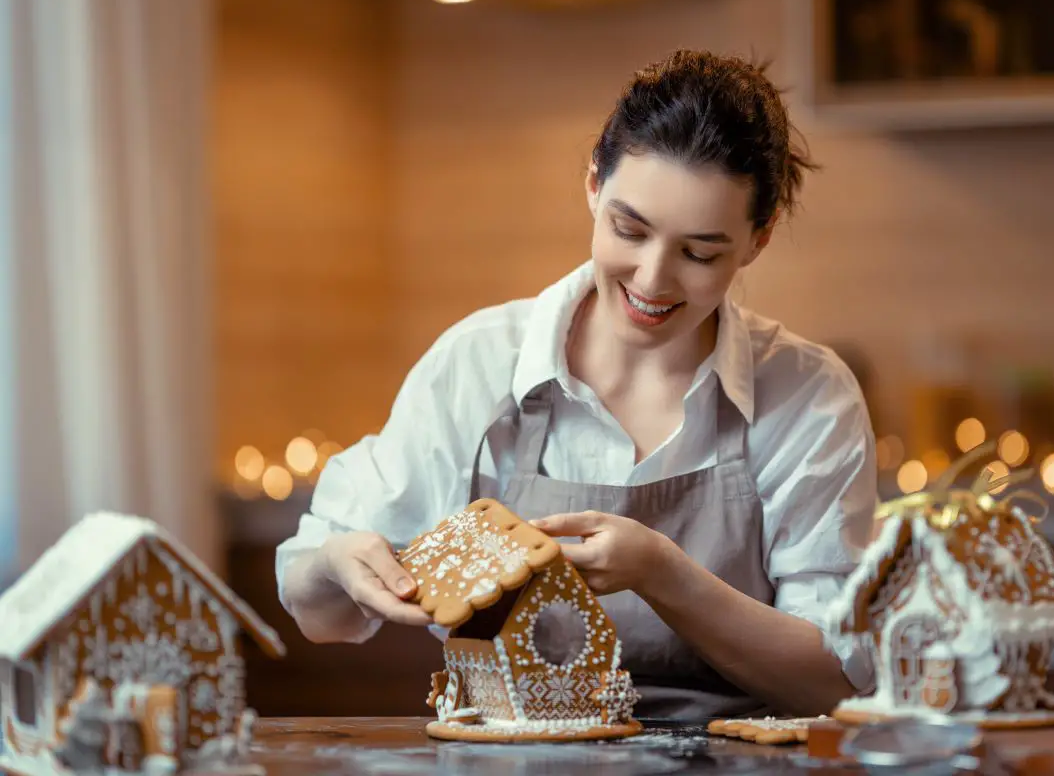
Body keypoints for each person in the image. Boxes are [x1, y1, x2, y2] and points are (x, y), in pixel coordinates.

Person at [276, 49, 877, 720]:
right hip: (508, 761)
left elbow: (837, 683)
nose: (653, 279)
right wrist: (336, 563)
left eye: (700, 253)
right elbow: (316, 610)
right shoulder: (479, 364)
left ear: (757, 241)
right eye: (629, 228)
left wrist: (663, 574)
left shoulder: (807, 395)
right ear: (593, 184)